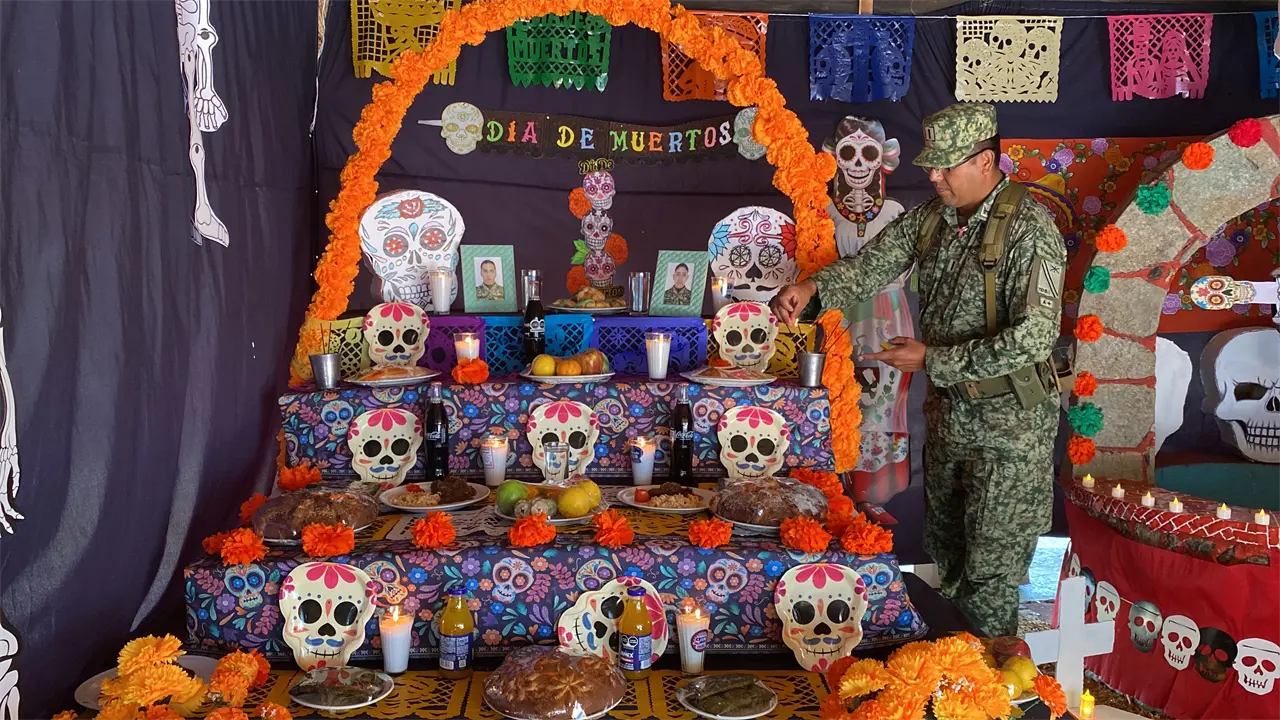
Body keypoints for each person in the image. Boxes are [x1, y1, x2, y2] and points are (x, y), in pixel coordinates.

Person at [771, 103, 1066, 636]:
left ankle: (985, 696)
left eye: (945, 166)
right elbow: (873, 266)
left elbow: (1035, 337)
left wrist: (933, 359)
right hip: (951, 418)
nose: (932, 175)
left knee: (991, 573)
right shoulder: (933, 218)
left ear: (984, 161)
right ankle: (947, 683)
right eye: (932, 165)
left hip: (1010, 429)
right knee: (948, 563)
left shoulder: (1031, 228)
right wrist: (812, 289)